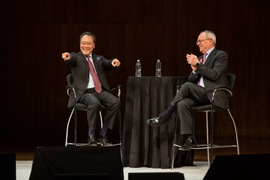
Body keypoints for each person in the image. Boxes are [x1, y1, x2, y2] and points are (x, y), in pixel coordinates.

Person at [147, 30, 229, 151]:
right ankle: (190, 139)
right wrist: (195, 70)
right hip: (201, 95)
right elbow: (191, 80)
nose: (198, 44)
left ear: (210, 41)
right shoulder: (201, 58)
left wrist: (198, 65)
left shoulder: (221, 55)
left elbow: (214, 75)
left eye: (200, 41)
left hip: (214, 94)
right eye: (197, 41)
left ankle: (166, 115)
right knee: (182, 103)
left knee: (185, 86)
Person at [62, 31, 121, 146]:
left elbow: (107, 63)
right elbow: (71, 59)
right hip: (84, 93)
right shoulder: (76, 57)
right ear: (80, 44)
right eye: (83, 43)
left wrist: (113, 62)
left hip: (99, 91)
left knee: (116, 102)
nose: (85, 46)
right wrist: (67, 57)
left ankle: (103, 133)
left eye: (88, 44)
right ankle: (91, 136)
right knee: (94, 103)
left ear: (93, 45)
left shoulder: (98, 58)